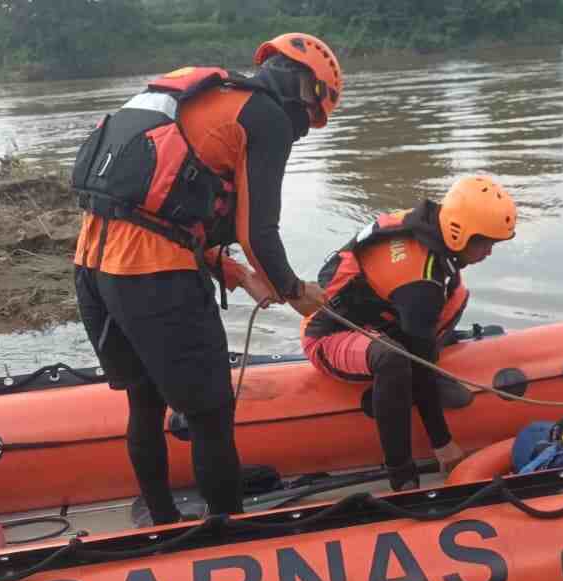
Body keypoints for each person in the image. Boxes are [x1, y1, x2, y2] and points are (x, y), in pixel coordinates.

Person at [70, 33, 343, 525]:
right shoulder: (267, 118)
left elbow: (159, 212)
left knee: (145, 400)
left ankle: (161, 519)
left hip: (93, 265)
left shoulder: (204, 99)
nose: (306, 128)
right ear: (306, 90)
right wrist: (294, 290)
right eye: (314, 114)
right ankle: (227, 535)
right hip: (152, 277)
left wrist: (236, 273)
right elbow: (257, 231)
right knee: (212, 415)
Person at [300, 175, 517, 491]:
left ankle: (408, 378)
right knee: (394, 361)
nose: (489, 253)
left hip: (381, 320)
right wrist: (442, 442)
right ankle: (401, 477)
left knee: (456, 294)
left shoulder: (429, 228)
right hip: (328, 336)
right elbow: (417, 359)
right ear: (461, 233)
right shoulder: (421, 286)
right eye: (486, 243)